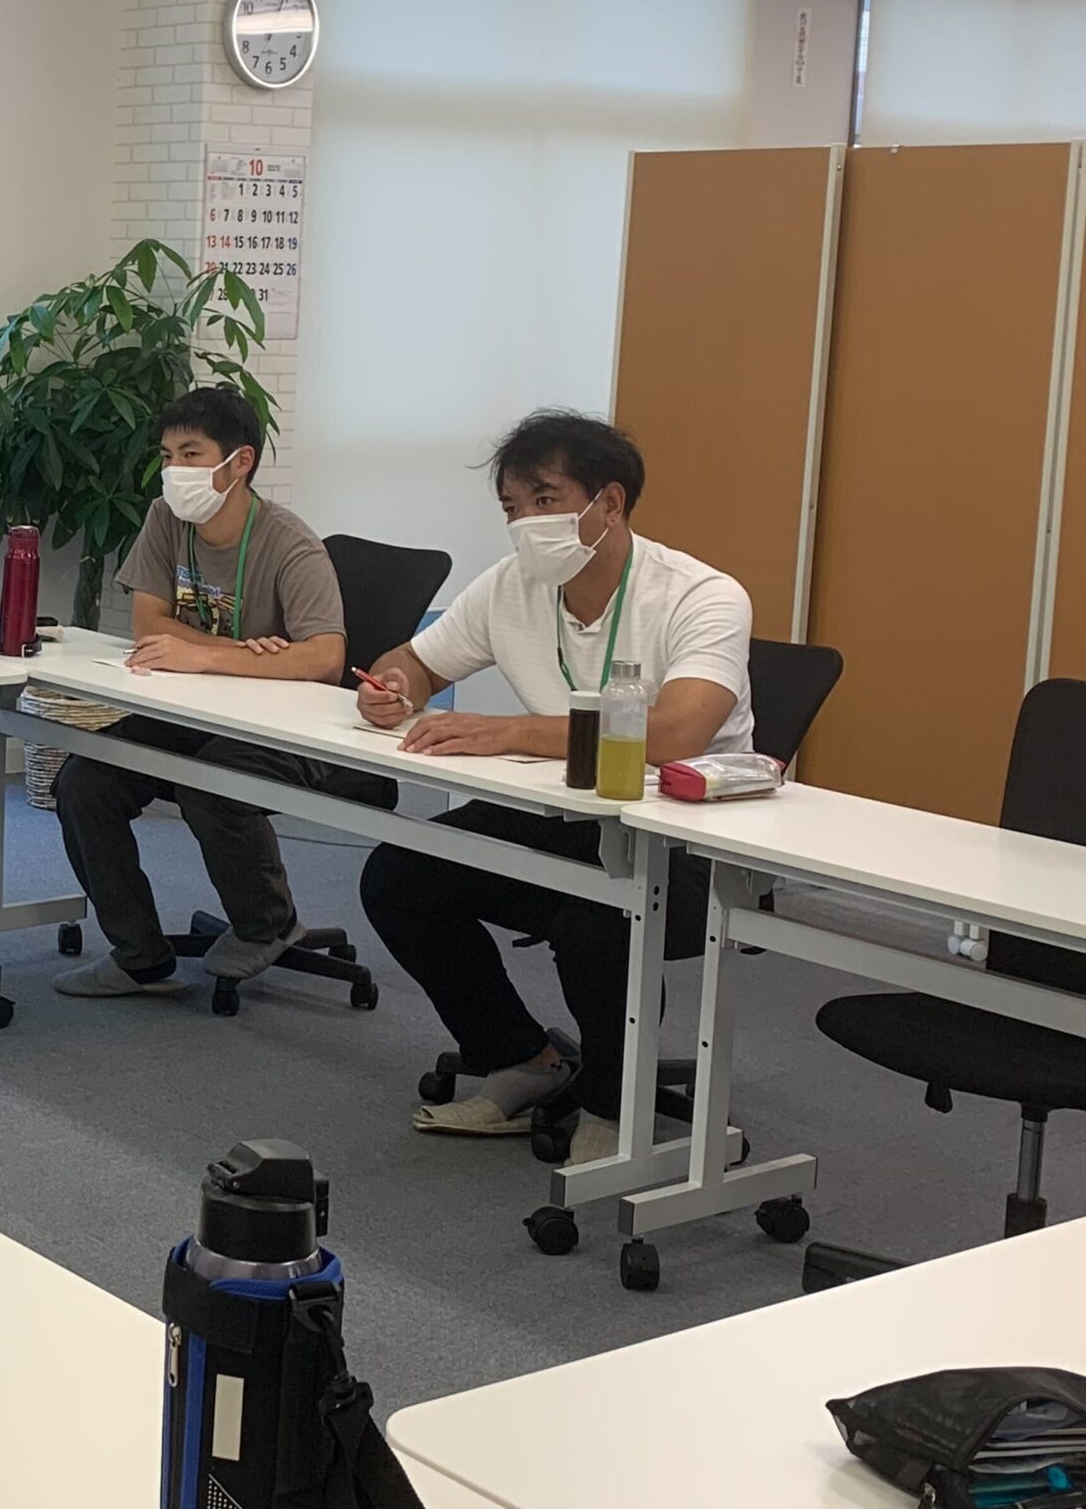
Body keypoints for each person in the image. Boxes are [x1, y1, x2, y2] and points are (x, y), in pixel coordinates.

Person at [356, 410, 753, 1166]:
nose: (526, 524)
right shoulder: (513, 585)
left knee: (600, 919)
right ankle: (521, 1057)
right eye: (512, 507)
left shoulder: (702, 595)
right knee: (401, 875)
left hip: (688, 840)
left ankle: (613, 1101)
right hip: (570, 810)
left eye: (545, 500)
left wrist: (510, 731)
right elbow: (417, 661)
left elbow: (677, 733)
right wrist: (393, 686)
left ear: (610, 503)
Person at [52, 385, 352, 999]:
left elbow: (325, 659)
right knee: (85, 781)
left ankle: (271, 923)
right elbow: (149, 625)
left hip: (287, 727)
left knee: (211, 784)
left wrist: (203, 655)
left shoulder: (289, 544)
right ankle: (139, 954)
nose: (175, 471)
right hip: (196, 710)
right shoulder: (168, 520)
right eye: (167, 456)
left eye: (191, 454)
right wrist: (237, 654)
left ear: (240, 462)